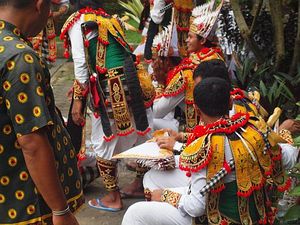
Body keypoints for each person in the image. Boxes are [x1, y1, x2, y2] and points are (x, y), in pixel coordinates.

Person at [122, 77, 298, 225]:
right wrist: (285, 134)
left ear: (197, 110)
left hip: (219, 219)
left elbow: (196, 207)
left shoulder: (205, 146)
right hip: (257, 218)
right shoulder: (255, 130)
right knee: (154, 181)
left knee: (135, 213)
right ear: (230, 103)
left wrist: (165, 196)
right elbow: (288, 157)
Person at [61, 1, 155, 211]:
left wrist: (78, 101)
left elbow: (81, 64)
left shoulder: (79, 21)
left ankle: (113, 197)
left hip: (111, 87)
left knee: (102, 141)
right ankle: (140, 184)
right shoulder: (111, 19)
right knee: (141, 135)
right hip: (134, 80)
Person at [0, 1, 83, 225]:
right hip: (26, 200)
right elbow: (32, 142)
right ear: (39, 5)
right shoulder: (19, 57)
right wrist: (60, 210)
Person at [153, 0, 224, 133]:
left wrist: (159, 89)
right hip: (221, 124)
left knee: (148, 119)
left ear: (202, 40)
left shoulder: (188, 71)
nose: (186, 40)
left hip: (195, 130)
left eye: (190, 37)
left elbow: (157, 111)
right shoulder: (219, 60)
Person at [29, 0, 70, 65]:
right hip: (28, 22)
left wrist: (59, 12)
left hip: (47, 25)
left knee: (44, 59)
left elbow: (64, 3)